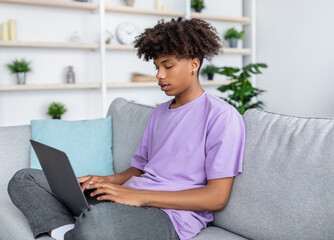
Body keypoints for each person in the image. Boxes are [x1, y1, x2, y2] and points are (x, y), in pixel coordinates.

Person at [7, 17, 245, 240]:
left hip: (171, 215)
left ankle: (77, 229)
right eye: (156, 67)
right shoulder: (160, 112)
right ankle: (67, 231)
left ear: (194, 64)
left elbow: (216, 197)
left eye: (168, 66)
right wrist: (107, 181)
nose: (159, 75)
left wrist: (138, 197)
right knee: (24, 178)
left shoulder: (222, 117)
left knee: (97, 221)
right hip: (128, 199)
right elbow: (139, 169)